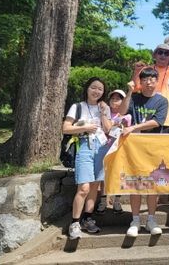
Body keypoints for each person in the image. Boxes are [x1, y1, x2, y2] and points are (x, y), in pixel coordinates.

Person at [120, 67, 168, 237]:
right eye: (145, 80)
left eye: (152, 79)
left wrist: (133, 127)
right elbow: (122, 111)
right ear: (140, 82)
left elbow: (157, 122)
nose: (149, 83)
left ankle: (151, 219)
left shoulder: (162, 101)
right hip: (134, 148)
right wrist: (129, 92)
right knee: (135, 182)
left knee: (153, 184)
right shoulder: (134, 98)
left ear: (157, 81)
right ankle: (135, 220)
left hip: (154, 147)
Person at [62, 77, 112, 240]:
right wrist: (85, 127)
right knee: (83, 188)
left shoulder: (104, 107)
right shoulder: (77, 107)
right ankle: (75, 223)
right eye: (93, 87)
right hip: (84, 145)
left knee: (94, 187)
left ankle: (87, 219)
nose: (96, 91)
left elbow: (108, 129)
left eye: (100, 89)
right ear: (87, 88)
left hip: (101, 147)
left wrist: (103, 112)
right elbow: (65, 128)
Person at [133, 43, 169, 133]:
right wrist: (137, 72)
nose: (163, 55)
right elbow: (135, 89)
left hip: (166, 120)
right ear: (155, 55)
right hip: (145, 118)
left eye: (166, 53)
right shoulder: (146, 70)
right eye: (160, 52)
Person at [96, 89, 126, 215]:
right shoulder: (104, 113)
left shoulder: (126, 116)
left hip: (119, 149)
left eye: (118, 99)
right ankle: (103, 201)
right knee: (104, 175)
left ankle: (117, 201)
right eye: (112, 99)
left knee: (119, 175)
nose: (114, 101)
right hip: (104, 147)